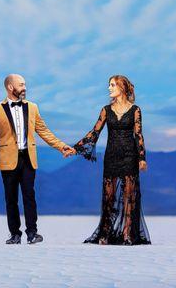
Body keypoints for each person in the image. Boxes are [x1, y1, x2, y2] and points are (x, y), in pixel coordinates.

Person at [0, 74, 74, 244]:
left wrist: (61, 146)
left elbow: (44, 131)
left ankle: (32, 233)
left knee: (29, 196)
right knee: (11, 199)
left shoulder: (32, 107)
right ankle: (15, 234)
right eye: (21, 84)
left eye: (25, 84)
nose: (24, 87)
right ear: (10, 87)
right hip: (7, 160)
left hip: (28, 158)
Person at [67, 75, 151, 245]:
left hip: (129, 156)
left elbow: (138, 134)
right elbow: (94, 132)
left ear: (122, 87)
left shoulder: (135, 110)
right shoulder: (106, 109)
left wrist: (142, 158)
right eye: (109, 85)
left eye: (112, 85)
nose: (109, 88)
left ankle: (127, 234)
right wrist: (75, 148)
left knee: (129, 197)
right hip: (111, 156)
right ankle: (104, 233)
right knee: (109, 197)